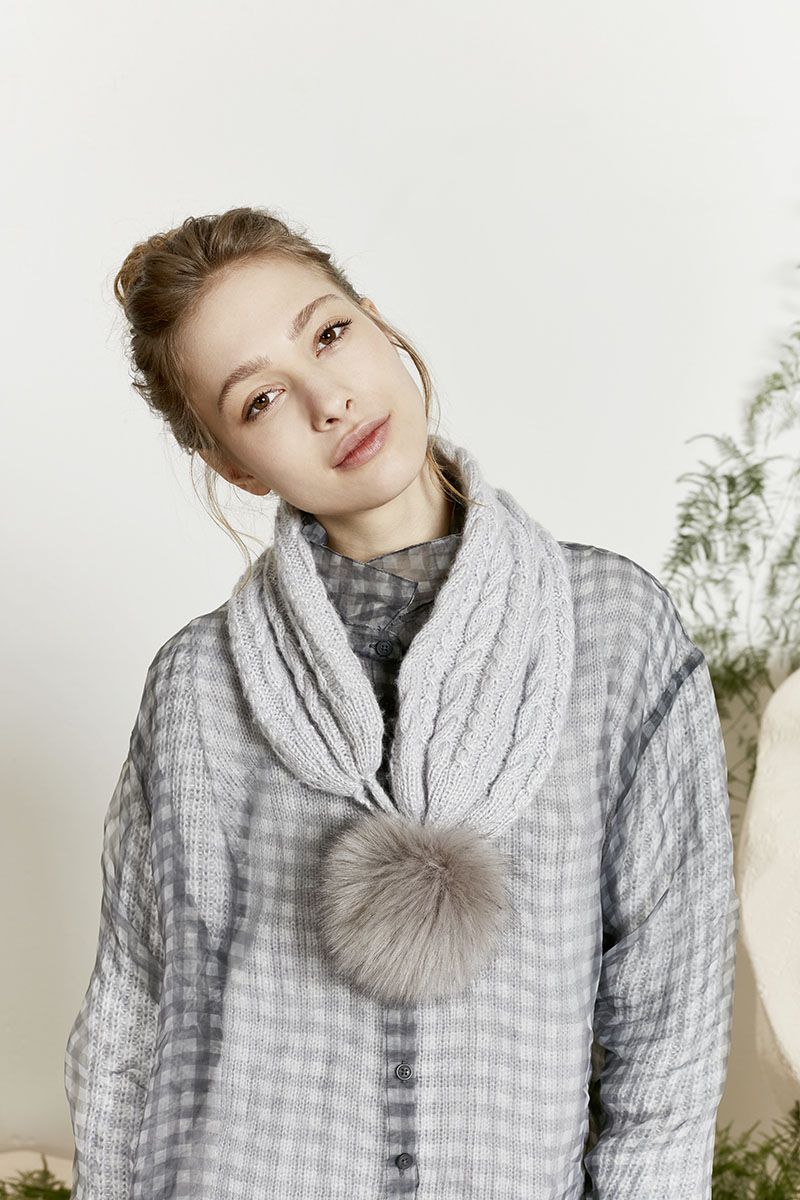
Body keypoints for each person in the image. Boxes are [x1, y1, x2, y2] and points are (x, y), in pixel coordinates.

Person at [63, 206, 740, 1199]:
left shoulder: (611, 633)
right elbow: (133, 1019)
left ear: (378, 323)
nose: (327, 400)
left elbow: (667, 1029)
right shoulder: (198, 686)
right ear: (231, 464)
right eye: (260, 399)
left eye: (329, 334)